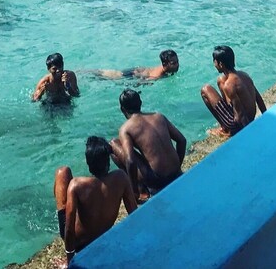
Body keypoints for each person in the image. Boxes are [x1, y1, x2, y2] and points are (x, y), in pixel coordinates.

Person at [53, 136, 138, 267]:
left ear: (88, 162)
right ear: (107, 160)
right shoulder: (121, 177)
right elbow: (134, 216)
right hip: (101, 238)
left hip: (78, 242)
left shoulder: (77, 185)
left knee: (62, 172)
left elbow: (69, 230)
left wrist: (70, 261)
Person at [109, 89, 187, 200]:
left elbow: (130, 161)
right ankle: (172, 172)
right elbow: (182, 140)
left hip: (157, 180)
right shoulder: (158, 116)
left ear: (122, 109)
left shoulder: (125, 128)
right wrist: (177, 166)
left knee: (113, 144)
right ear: (140, 103)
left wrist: (133, 191)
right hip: (176, 172)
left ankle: (140, 190)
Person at [201, 45, 267, 137]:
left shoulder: (229, 85)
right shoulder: (244, 75)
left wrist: (247, 133)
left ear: (220, 64)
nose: (214, 64)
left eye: (215, 61)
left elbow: (240, 115)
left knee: (205, 89)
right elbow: (259, 99)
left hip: (238, 125)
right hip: (251, 117)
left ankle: (225, 128)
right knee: (220, 80)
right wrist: (266, 117)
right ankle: (227, 125)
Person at [91, 50, 181, 81]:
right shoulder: (157, 75)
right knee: (104, 76)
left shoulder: (167, 70)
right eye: (174, 63)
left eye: (177, 62)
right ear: (164, 64)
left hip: (137, 71)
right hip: (131, 75)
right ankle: (85, 72)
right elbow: (143, 82)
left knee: (102, 74)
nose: (177, 65)